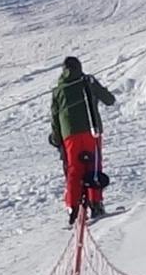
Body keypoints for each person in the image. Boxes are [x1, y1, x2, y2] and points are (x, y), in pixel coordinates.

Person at [48, 53, 115, 219]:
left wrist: (57, 138)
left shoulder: (58, 90)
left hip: (69, 134)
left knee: (74, 169)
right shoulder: (87, 81)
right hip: (92, 130)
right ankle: (96, 203)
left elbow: (55, 118)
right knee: (94, 166)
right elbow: (109, 100)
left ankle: (73, 206)